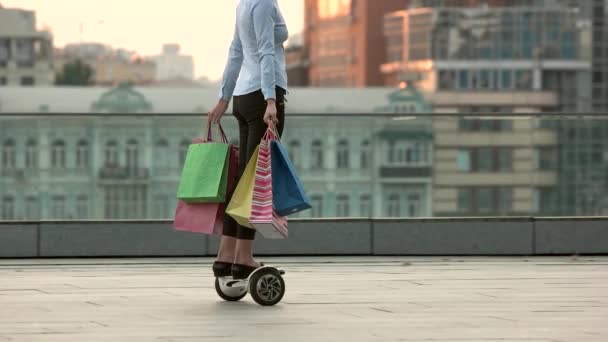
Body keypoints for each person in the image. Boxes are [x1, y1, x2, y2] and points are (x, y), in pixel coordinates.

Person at [207, 0, 288, 280]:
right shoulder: (264, 3)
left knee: (244, 180)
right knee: (255, 183)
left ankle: (226, 254)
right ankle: (243, 257)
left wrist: (224, 98)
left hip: (242, 97)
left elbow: (235, 52)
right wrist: (270, 100)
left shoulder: (244, 3)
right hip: (261, 97)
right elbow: (266, 51)